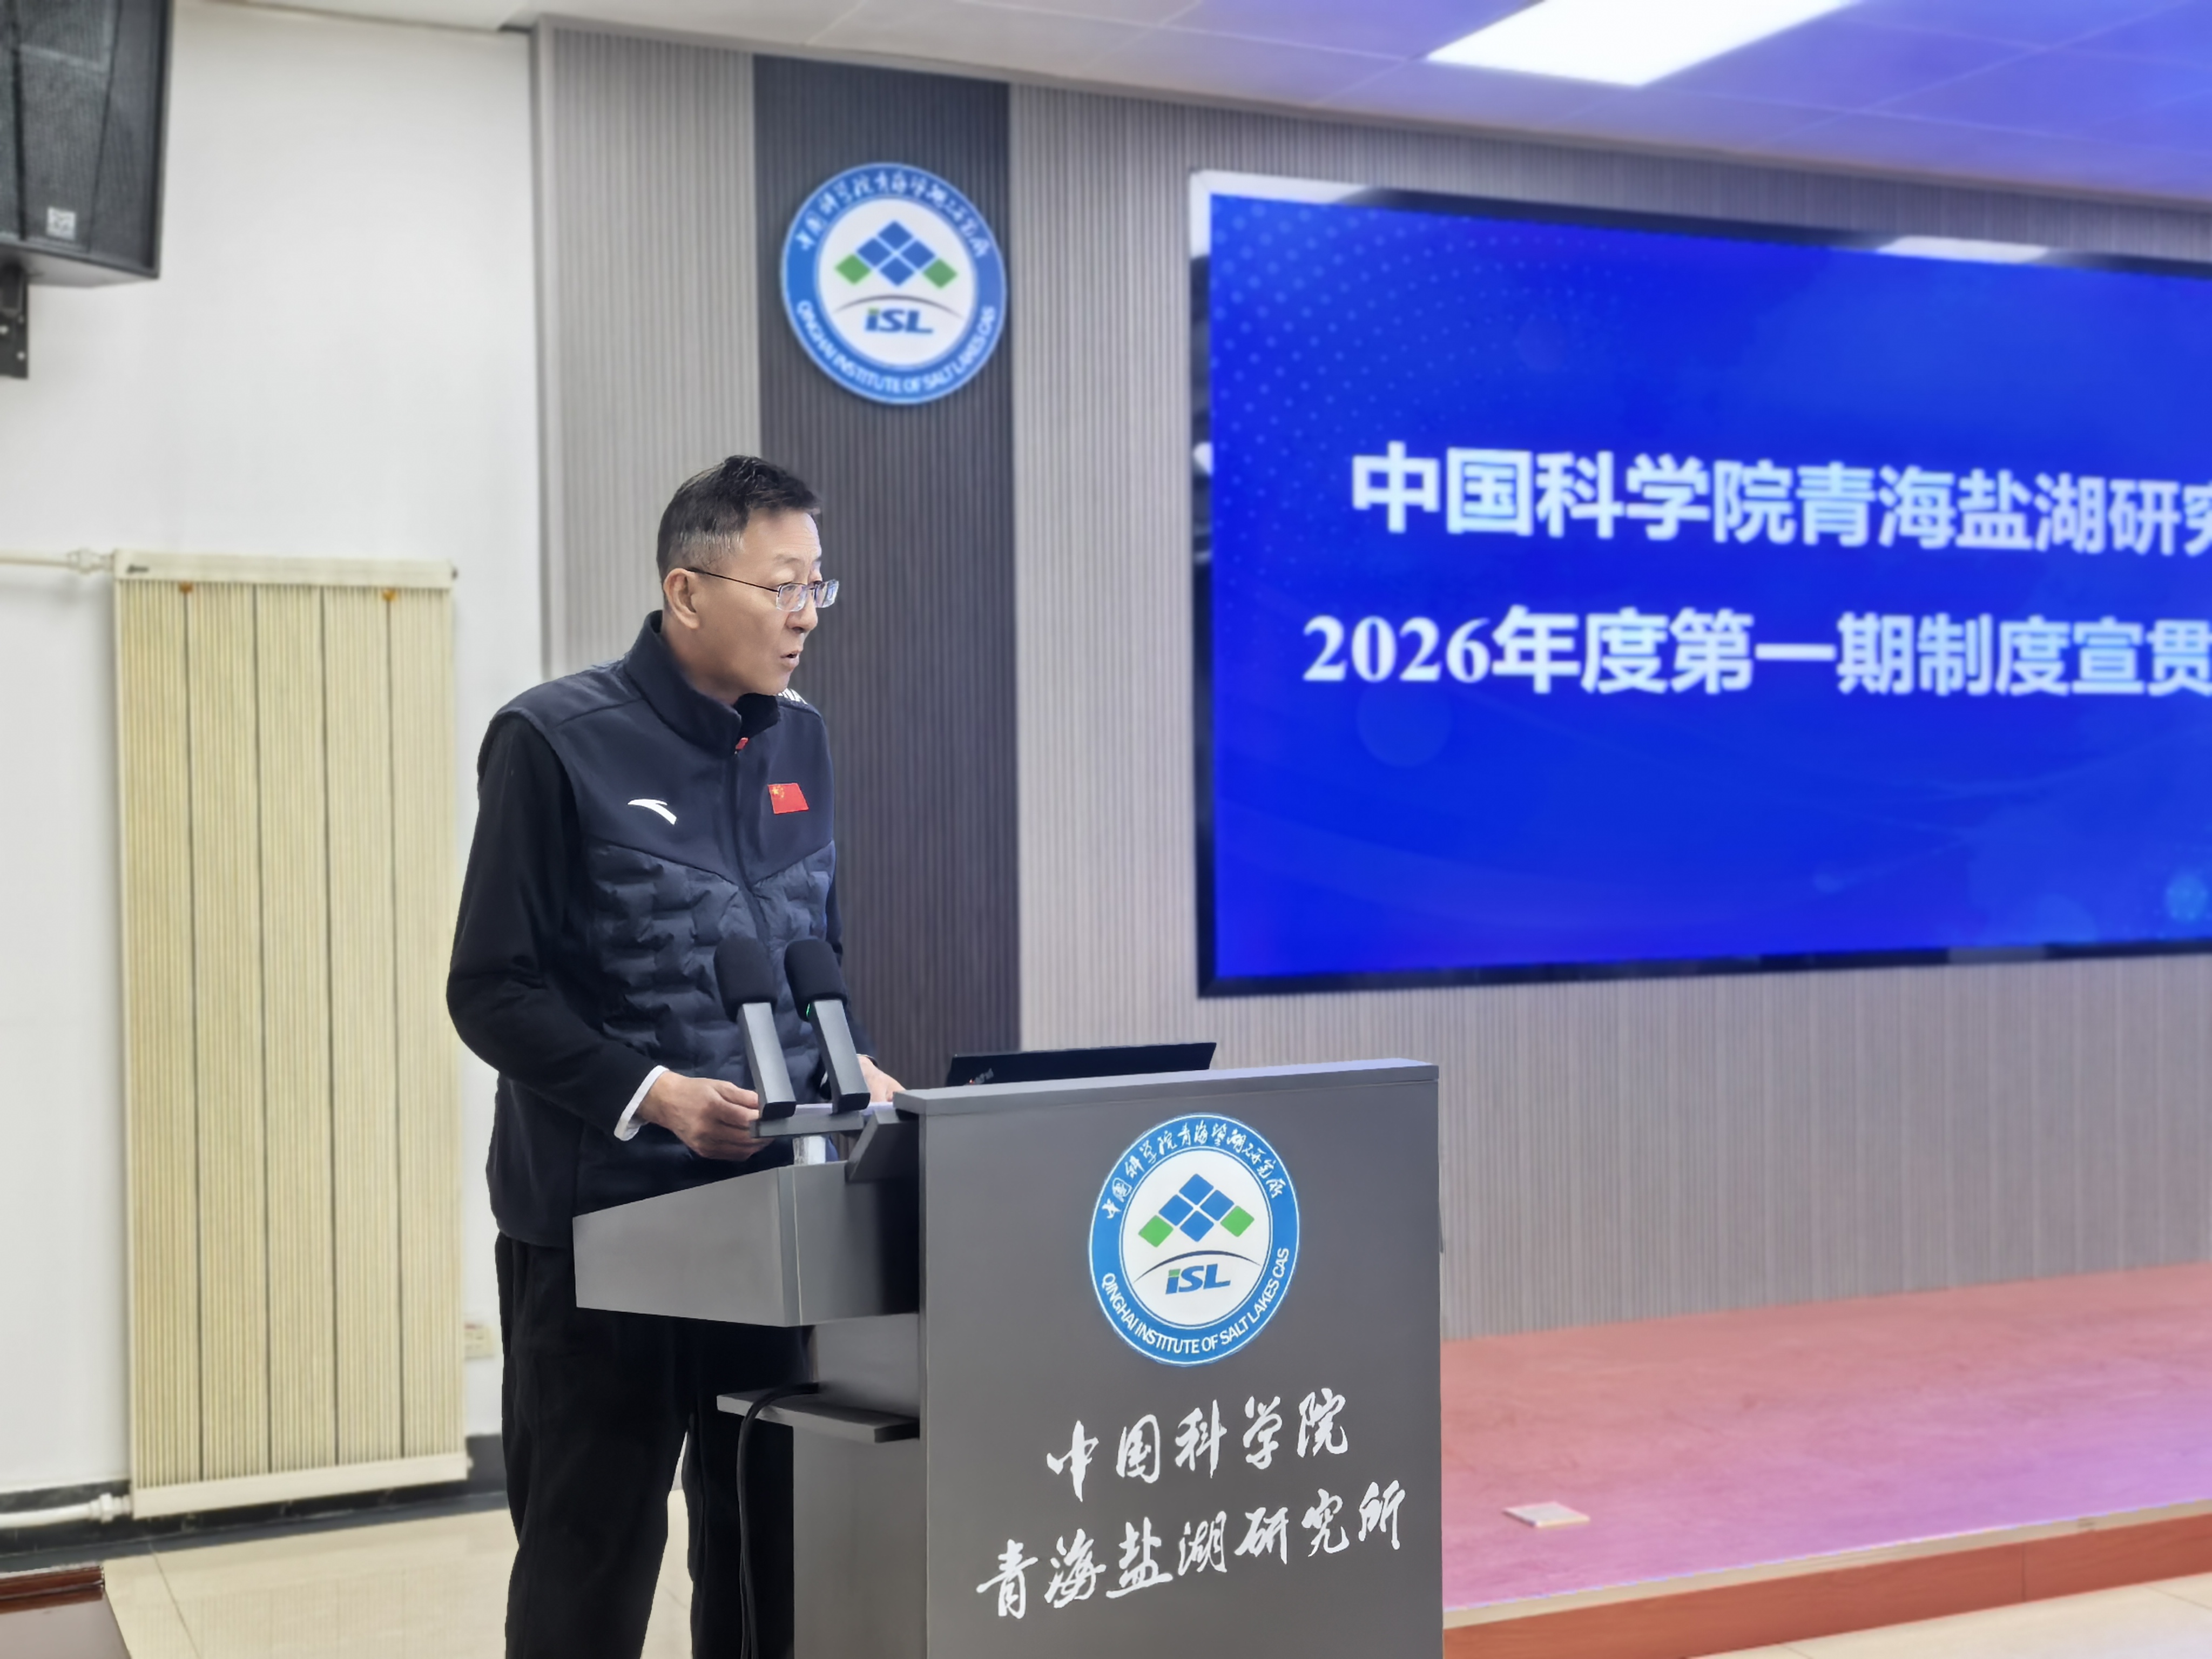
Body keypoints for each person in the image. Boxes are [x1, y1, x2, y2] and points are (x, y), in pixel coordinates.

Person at [447, 456, 901, 1659]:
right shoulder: (553, 740)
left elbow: (811, 959)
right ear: (687, 591)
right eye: (782, 586)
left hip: (769, 1227)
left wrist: (852, 1067)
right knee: (589, 1563)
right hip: (602, 1236)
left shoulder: (803, 741)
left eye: (817, 586)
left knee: (769, 1557)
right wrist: (653, 1097)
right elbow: (489, 989)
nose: (806, 614)